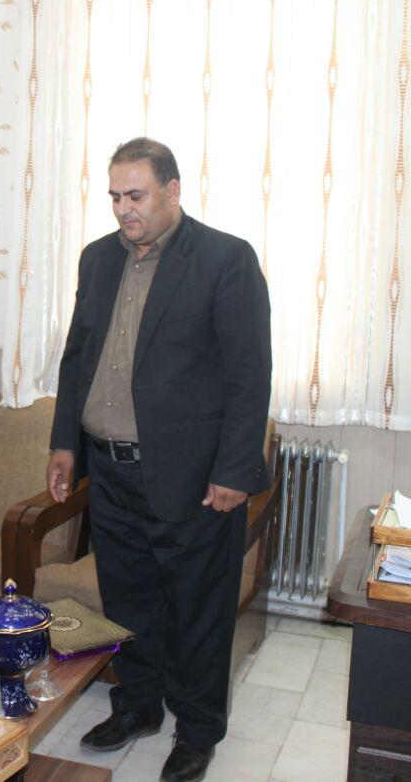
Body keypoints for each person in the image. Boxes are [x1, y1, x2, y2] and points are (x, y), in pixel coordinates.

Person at [46, 138, 271, 781]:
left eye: (136, 195)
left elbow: (249, 376)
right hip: (110, 471)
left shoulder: (225, 259)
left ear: (173, 190)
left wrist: (234, 471)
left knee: (198, 610)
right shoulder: (97, 259)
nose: (124, 209)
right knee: (128, 602)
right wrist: (65, 443)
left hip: (194, 477)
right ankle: (138, 705)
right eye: (115, 196)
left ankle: (197, 731)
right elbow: (77, 359)